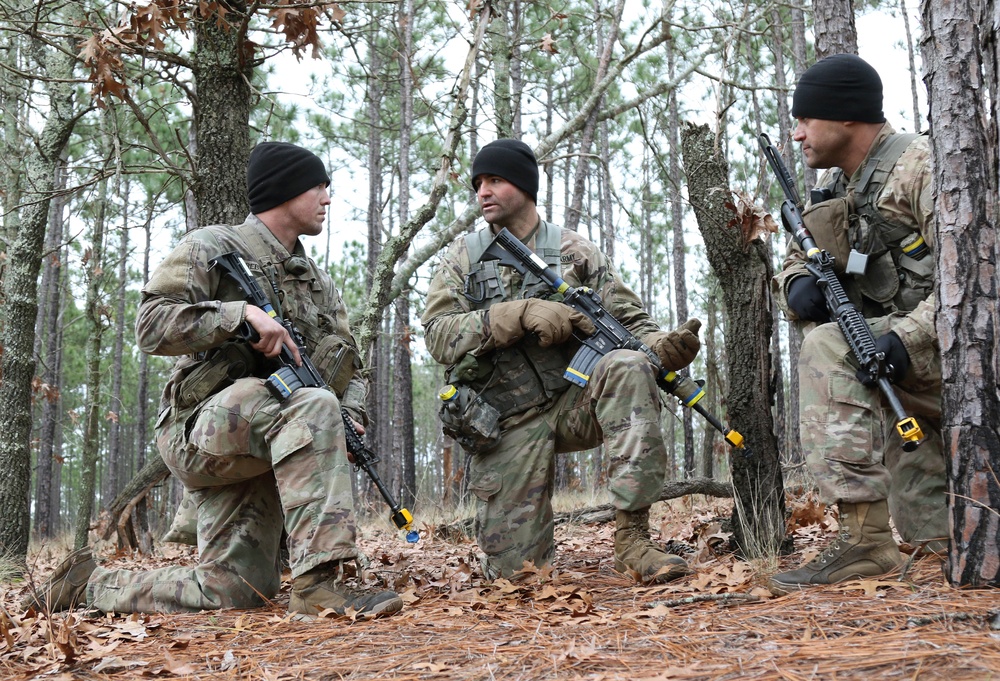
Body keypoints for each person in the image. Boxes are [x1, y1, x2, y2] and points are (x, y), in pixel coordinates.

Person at [24, 142, 403, 619]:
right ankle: (319, 587)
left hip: (272, 434)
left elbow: (354, 368)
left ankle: (87, 587)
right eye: (319, 187)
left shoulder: (317, 283)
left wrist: (348, 419)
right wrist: (236, 315)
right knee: (313, 405)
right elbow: (150, 325)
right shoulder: (212, 245)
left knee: (233, 590)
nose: (328, 198)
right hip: (200, 431)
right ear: (285, 191)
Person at [421, 139, 702, 583]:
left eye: (495, 180)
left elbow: (627, 318)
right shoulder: (463, 258)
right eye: (478, 183)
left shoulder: (576, 251)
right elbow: (437, 335)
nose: (483, 192)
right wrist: (515, 314)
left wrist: (661, 344)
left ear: (526, 187)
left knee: (627, 364)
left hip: (577, 402)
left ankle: (634, 543)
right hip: (505, 422)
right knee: (518, 577)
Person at [769, 54, 947, 595]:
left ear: (846, 116)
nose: (796, 134)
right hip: (905, 366)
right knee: (934, 536)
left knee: (829, 345)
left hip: (954, 349)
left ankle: (865, 541)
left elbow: (980, 280)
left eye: (804, 119)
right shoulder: (844, 186)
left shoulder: (923, 167)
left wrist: (905, 337)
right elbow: (808, 254)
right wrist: (795, 283)